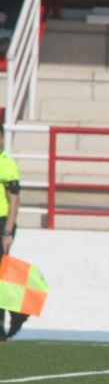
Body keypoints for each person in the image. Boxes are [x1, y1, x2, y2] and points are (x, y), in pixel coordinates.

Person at [0, 125, 27, 341]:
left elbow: (15, 200)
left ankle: (2, 325)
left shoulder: (7, 164)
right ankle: (17, 312)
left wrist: (8, 230)